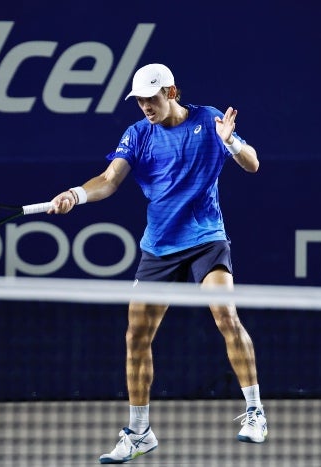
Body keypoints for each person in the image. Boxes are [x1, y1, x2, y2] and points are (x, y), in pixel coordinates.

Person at [49, 64, 267, 463]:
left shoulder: (209, 120)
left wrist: (231, 141)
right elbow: (110, 179)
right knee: (136, 337)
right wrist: (76, 195)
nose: (146, 106)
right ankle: (139, 432)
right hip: (159, 246)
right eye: (140, 101)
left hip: (205, 238)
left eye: (152, 99)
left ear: (172, 92)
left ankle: (255, 411)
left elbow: (252, 164)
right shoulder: (137, 134)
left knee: (225, 315)